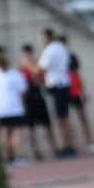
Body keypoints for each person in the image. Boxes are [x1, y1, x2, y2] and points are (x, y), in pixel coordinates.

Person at [0, 45, 30, 165]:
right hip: (14, 108)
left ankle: (6, 157)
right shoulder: (15, 74)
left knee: (3, 133)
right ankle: (18, 156)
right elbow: (23, 89)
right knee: (15, 133)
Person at [37, 27, 76, 157]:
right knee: (62, 117)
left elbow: (40, 69)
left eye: (42, 37)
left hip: (58, 85)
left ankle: (69, 145)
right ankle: (68, 144)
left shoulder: (51, 49)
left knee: (62, 118)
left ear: (47, 37)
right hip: (63, 84)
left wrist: (27, 64)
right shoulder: (61, 47)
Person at [59, 34, 94, 153]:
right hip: (64, 90)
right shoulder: (57, 58)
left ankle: (90, 142)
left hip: (74, 89)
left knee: (82, 117)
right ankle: (70, 144)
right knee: (65, 119)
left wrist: (83, 90)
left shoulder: (71, 56)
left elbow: (76, 73)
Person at [19, 43, 55, 159]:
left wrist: (34, 70)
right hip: (28, 98)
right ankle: (36, 151)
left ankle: (54, 148)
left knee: (46, 124)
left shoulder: (36, 65)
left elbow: (42, 78)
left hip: (38, 95)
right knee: (31, 126)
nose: (27, 56)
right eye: (25, 54)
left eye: (29, 54)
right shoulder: (21, 67)